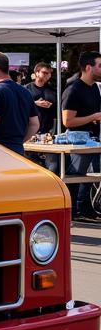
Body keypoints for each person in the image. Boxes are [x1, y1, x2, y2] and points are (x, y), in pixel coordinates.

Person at [61, 51, 101, 220]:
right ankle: (72, 212)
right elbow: (67, 121)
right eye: (100, 65)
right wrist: (93, 117)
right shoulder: (74, 89)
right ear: (88, 67)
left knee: (89, 178)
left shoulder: (94, 88)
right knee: (75, 179)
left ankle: (84, 208)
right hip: (78, 143)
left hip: (92, 141)